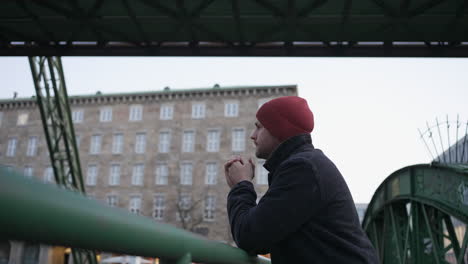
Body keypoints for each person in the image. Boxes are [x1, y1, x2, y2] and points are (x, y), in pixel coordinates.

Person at [224, 96, 378, 264]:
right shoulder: (307, 165)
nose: (252, 136)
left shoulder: (302, 169)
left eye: (259, 127)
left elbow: (250, 236)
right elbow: (269, 235)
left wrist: (241, 185)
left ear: (278, 129)